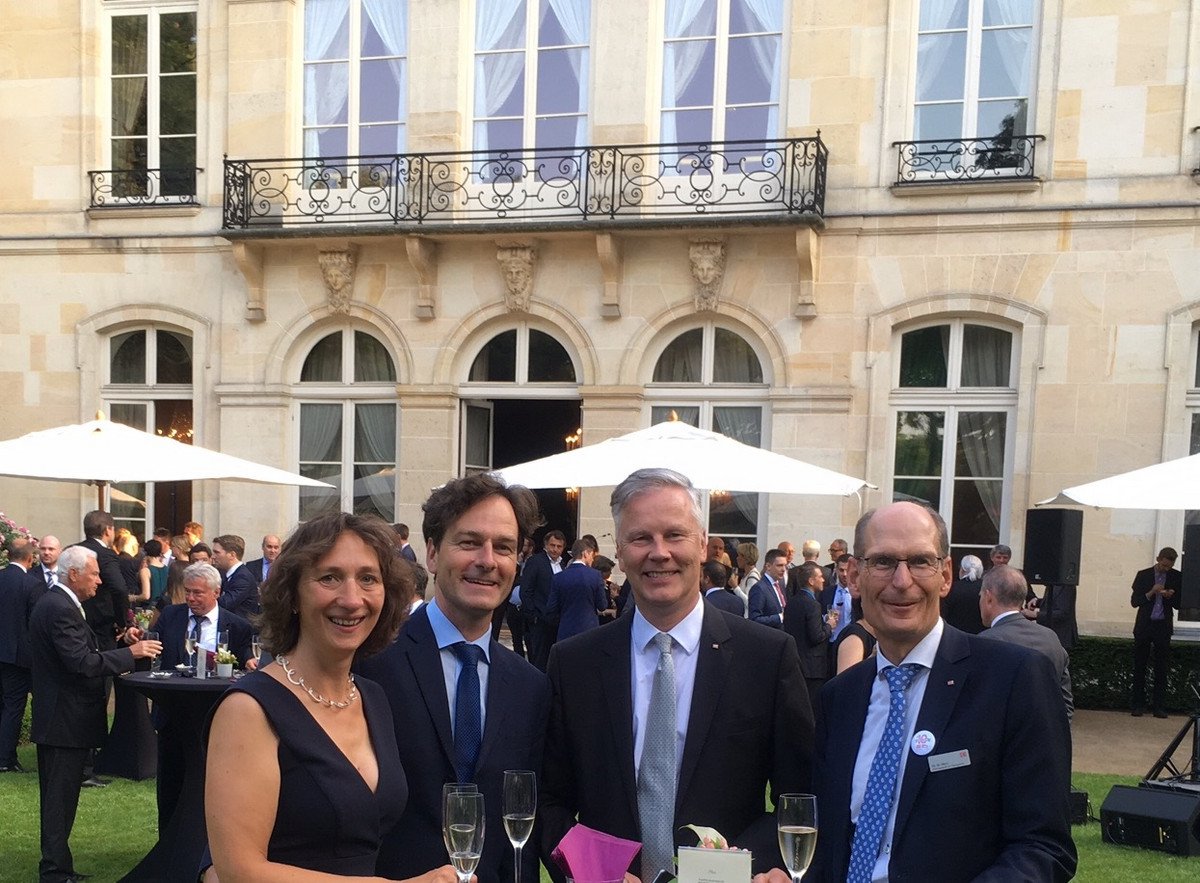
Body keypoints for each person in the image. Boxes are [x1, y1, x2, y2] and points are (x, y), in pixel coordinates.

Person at [540, 468, 813, 881]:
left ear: (702, 544)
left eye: (674, 535)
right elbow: (548, 803)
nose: (659, 552)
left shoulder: (767, 657)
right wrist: (597, 870)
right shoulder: (574, 663)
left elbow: (801, 800)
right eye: (641, 538)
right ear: (621, 551)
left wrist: (740, 869)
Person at [810, 502, 1076, 882]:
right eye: (883, 562)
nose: (902, 581)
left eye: (920, 561)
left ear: (946, 575)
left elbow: (1044, 848)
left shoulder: (1014, 679)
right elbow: (826, 840)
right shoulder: (839, 698)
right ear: (854, 576)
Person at [205, 512, 447, 881]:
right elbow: (239, 872)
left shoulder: (372, 697)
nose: (351, 599)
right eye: (329, 577)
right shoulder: (248, 710)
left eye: (368, 579)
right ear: (293, 594)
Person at [357, 473, 551, 883]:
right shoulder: (370, 662)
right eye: (469, 542)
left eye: (504, 547)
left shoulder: (530, 687)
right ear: (431, 554)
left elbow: (524, 830)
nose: (488, 560)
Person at [30, 545, 160, 883]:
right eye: (95, 574)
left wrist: (121, 643)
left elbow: (84, 652)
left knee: (62, 801)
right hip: (63, 722)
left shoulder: (63, 603)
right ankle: (54, 872)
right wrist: (131, 654)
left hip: (65, 720)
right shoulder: (59, 607)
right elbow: (81, 663)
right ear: (74, 574)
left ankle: (59, 867)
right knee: (59, 803)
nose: (100, 581)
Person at [156, 562, 256, 827]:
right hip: (174, 713)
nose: (191, 598)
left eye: (198, 593)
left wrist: (250, 661)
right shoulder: (171, 615)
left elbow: (245, 658)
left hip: (217, 715)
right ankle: (169, 839)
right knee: (170, 784)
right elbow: (154, 643)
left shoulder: (237, 626)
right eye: (188, 591)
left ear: (216, 592)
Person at [978, 565, 1073, 721]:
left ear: (989, 597)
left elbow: (980, 708)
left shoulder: (986, 642)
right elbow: (1065, 703)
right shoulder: (1051, 637)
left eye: (980, 596)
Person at [0, 537, 41, 772]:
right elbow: (35, 624)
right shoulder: (32, 585)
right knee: (13, 705)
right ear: (30, 558)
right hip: (18, 656)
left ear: (8, 556)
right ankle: (5, 759)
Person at [1130, 546, 1181, 718]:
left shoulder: (1176, 576)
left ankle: (1159, 706)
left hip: (1162, 626)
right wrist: (1152, 592)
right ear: (1158, 559)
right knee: (1140, 665)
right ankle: (1138, 704)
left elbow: (1179, 604)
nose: (1165, 569)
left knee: (1161, 667)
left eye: (1169, 566)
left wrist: (1170, 596)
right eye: (1163, 565)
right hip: (1145, 625)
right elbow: (1135, 602)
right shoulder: (1143, 575)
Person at [73, 510, 130, 650]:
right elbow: (119, 588)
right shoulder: (105, 554)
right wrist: (122, 622)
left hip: (71, 619)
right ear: (108, 530)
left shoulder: (71, 550)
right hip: (100, 625)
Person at [782, 562, 837, 698]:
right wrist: (829, 625)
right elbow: (816, 636)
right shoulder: (813, 605)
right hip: (812, 668)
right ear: (811, 581)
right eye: (820, 577)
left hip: (795, 662)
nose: (823, 580)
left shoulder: (791, 603)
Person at [547, 538, 608, 641]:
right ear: (585, 553)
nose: (592, 560)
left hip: (566, 629)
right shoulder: (595, 576)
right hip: (589, 630)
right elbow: (602, 606)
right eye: (591, 555)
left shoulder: (558, 577)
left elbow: (551, 608)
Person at [521, 530, 565, 671]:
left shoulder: (563, 565)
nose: (555, 549)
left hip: (557, 621)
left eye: (559, 546)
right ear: (546, 545)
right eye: (552, 545)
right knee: (539, 660)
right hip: (539, 619)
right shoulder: (536, 562)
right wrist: (532, 615)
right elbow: (526, 589)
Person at [213, 534, 259, 618]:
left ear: (232, 555)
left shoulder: (243, 577)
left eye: (217, 552)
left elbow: (225, 603)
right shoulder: (226, 574)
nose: (213, 556)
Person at [940, 553, 984, 634]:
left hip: (954, 634)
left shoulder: (951, 588)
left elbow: (943, 614)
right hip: (981, 634)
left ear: (962, 570)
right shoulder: (986, 589)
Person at [748, 548, 788, 628]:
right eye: (779, 565)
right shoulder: (759, 588)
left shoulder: (780, 585)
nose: (783, 569)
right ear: (768, 566)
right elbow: (754, 619)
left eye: (785, 566)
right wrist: (780, 617)